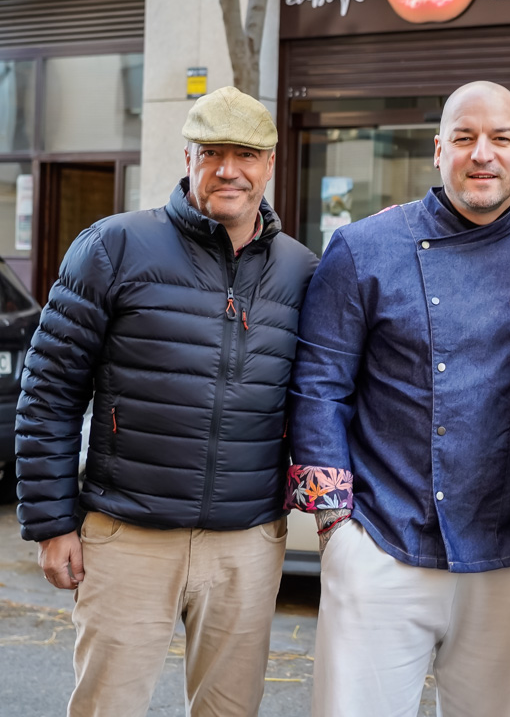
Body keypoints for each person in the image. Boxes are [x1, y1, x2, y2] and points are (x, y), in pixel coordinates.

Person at [15, 86, 318, 717]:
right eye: (211, 153)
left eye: (245, 154)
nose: (228, 169)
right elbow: (49, 391)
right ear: (188, 158)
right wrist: (50, 523)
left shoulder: (301, 271)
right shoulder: (113, 247)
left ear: (269, 163)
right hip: (126, 534)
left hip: (247, 541)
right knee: (108, 707)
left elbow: (316, 396)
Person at [286, 81, 510, 717]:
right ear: (438, 149)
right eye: (465, 138)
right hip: (383, 545)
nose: (482, 154)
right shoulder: (363, 248)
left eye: (500, 139)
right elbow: (319, 388)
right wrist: (337, 528)